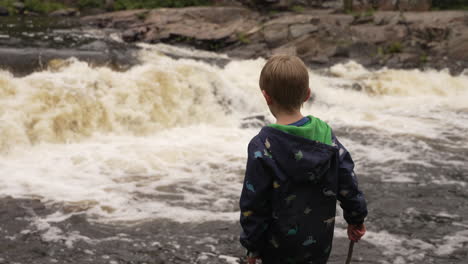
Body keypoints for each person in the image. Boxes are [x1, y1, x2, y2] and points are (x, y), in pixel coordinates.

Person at [239, 55, 368, 264]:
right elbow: (347, 180)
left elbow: (254, 204)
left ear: (266, 96)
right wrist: (356, 218)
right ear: (307, 94)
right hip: (319, 243)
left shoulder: (261, 146)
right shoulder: (326, 135)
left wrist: (252, 249)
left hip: (277, 248)